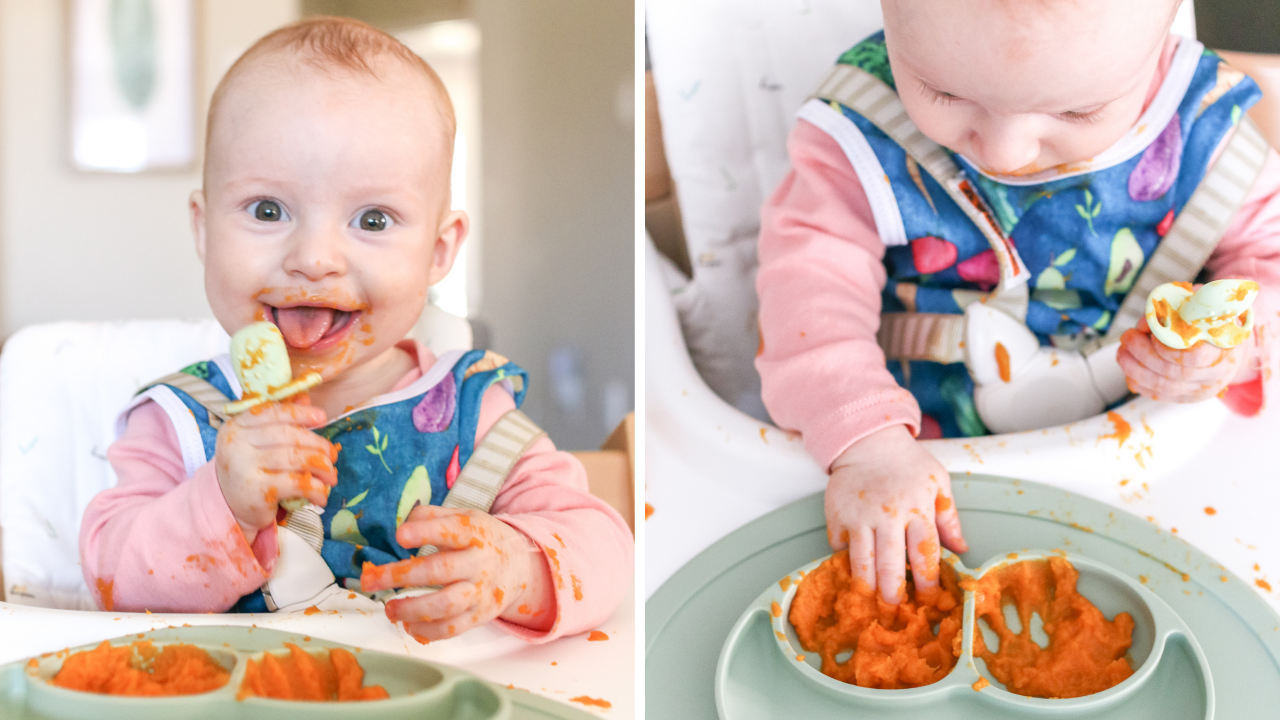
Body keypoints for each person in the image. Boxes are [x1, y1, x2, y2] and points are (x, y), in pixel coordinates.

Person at [79, 17, 632, 644]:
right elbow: (107, 574)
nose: (315, 257)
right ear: (205, 231)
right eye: (268, 210)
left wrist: (518, 566)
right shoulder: (179, 418)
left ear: (438, 250)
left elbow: (607, 551)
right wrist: (221, 504)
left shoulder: (475, 414)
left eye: (372, 219)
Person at [756, 0, 1280, 604]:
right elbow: (806, 287)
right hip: (916, 471)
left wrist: (1231, 344)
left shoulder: (1206, 131)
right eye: (944, 93)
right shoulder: (862, 128)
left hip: (1143, 473)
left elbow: (1267, 260)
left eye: (1076, 110)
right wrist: (863, 443)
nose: (1005, 153)